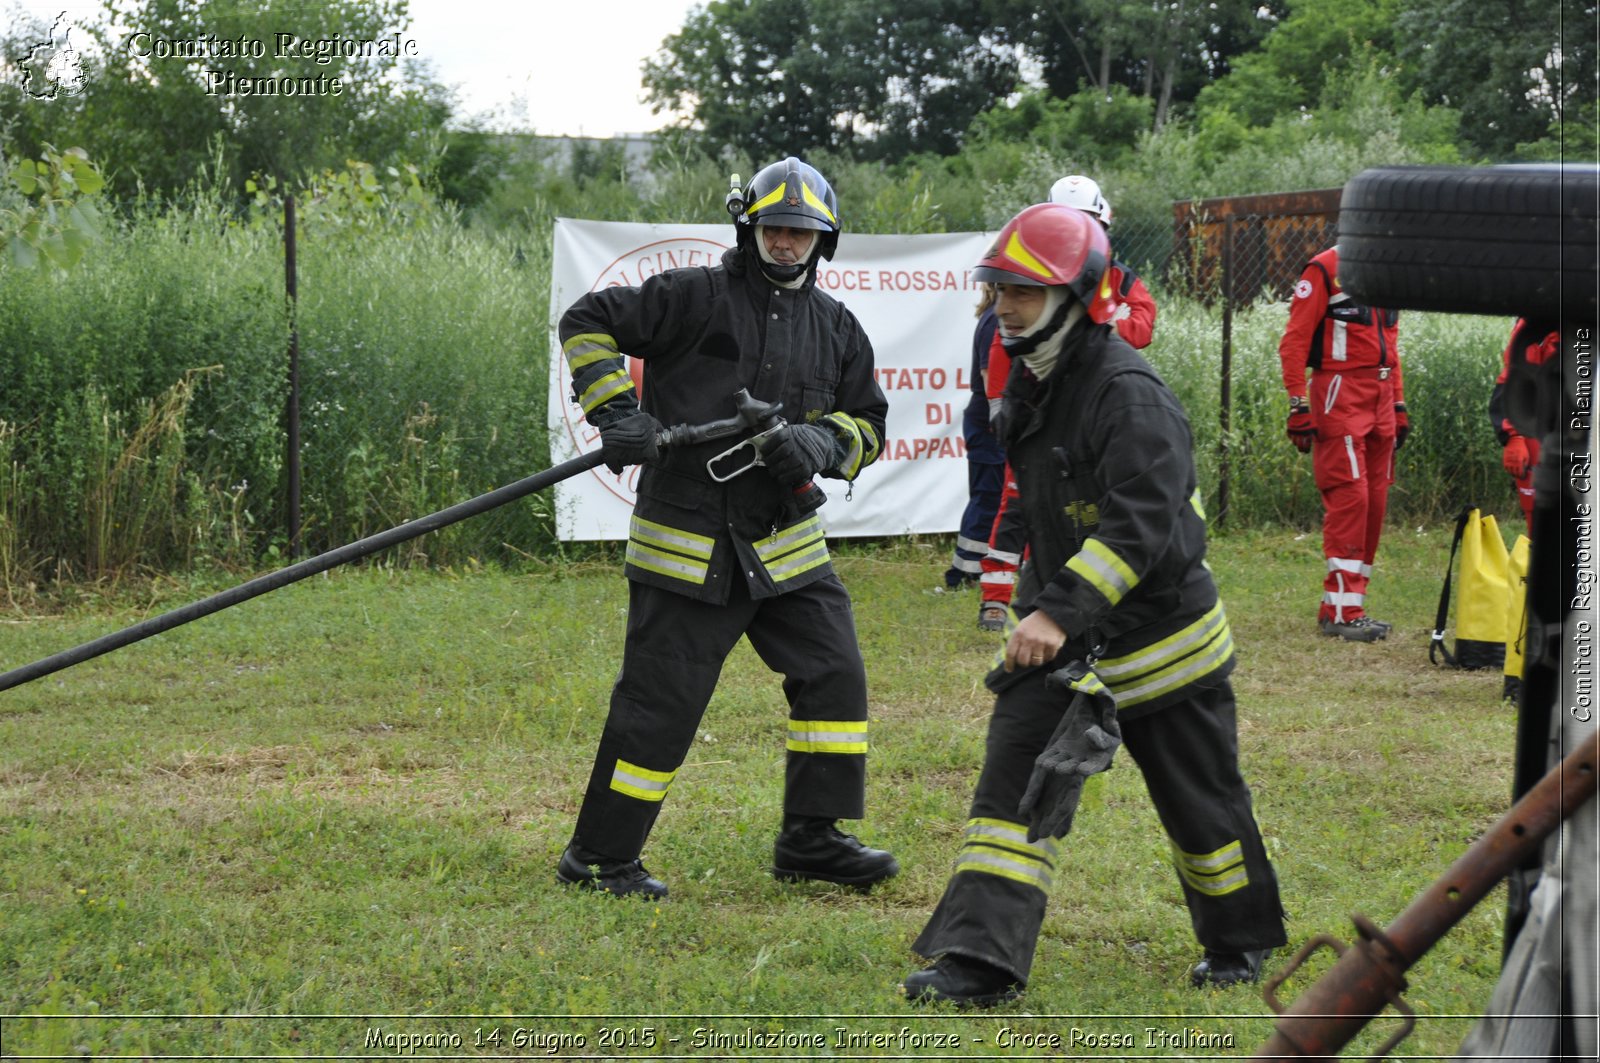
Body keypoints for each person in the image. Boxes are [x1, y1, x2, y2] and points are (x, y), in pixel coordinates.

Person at [903, 203, 1287, 1007]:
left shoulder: (1128, 393)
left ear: (1076, 298)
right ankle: (978, 961)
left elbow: (1137, 526)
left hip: (1162, 641)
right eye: (999, 287)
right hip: (1064, 641)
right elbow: (1043, 507)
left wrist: (1056, 612)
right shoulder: (1039, 384)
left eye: (1022, 291)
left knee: (1200, 803)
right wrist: (1022, 599)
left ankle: (1238, 941)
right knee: (1009, 791)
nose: (1003, 305)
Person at [554, 157, 898, 899]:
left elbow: (870, 423)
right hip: (688, 543)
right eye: (774, 228)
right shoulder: (691, 296)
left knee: (834, 674)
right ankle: (600, 858)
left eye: (801, 232)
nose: (786, 242)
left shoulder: (838, 327)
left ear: (823, 240)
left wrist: (822, 443)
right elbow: (586, 322)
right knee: (660, 705)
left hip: (786, 547)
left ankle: (813, 837)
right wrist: (618, 412)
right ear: (749, 228)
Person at [976, 175, 1158, 631]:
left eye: (1088, 222)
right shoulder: (1033, 277)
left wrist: (1101, 334)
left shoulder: (1117, 278)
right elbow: (1005, 345)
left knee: (1090, 503)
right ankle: (996, 597)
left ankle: (1079, 593)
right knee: (1017, 500)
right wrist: (1001, 407)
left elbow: (1145, 322)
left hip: (1093, 398)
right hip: (1040, 401)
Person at [1277, 245, 1407, 642]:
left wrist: (1398, 402)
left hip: (1381, 395)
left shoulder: (1391, 267)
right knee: (1351, 498)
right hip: (1339, 391)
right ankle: (1342, 613)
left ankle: (1346, 602)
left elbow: (1391, 342)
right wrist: (1299, 405)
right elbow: (1294, 342)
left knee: (1375, 502)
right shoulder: (1323, 268)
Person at [941, 286, 1005, 590]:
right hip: (990, 423)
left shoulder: (995, 315)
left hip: (991, 422)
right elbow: (990, 377)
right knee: (988, 497)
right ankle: (963, 574)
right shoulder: (995, 319)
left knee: (992, 496)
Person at [1489, 318, 1559, 533]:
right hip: (1541, 430)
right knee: (1541, 519)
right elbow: (1513, 383)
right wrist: (1514, 436)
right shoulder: (1535, 324)